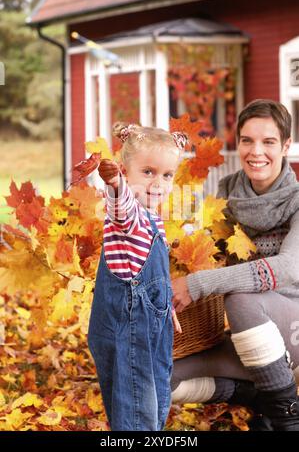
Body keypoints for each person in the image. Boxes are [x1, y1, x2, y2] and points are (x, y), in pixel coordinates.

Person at [171, 99, 299, 431]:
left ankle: (287, 418)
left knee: (241, 299)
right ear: (238, 142)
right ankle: (257, 396)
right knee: (161, 374)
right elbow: (203, 255)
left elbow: (285, 268)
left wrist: (196, 286)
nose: (257, 151)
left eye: (269, 141)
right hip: (253, 337)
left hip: (294, 326)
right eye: (247, 140)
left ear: (286, 145)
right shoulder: (224, 197)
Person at [88, 122, 186, 431]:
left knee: (155, 393)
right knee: (136, 405)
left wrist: (165, 306)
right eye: (148, 172)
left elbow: (152, 276)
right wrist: (115, 185)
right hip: (127, 330)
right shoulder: (127, 217)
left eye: (167, 175)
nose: (158, 183)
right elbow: (122, 207)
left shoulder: (155, 219)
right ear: (125, 172)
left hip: (150, 326)